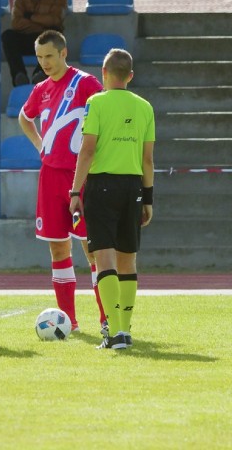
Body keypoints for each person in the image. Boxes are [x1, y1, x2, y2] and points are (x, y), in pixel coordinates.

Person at [18, 30, 106, 335]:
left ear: (64, 53)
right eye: (40, 57)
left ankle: (107, 318)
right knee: (58, 250)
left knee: (93, 250)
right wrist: (40, 144)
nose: (44, 62)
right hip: (50, 177)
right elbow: (24, 117)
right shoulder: (41, 88)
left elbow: (103, 119)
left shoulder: (86, 83)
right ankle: (69, 322)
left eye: (49, 56)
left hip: (81, 178)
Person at [69, 48, 155, 350]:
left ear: (103, 75)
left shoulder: (96, 103)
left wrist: (75, 191)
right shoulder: (145, 107)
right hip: (132, 188)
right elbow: (147, 160)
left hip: (101, 187)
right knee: (128, 259)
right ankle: (126, 329)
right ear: (130, 76)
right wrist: (148, 199)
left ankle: (114, 331)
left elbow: (88, 150)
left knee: (104, 257)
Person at [1, 0, 67, 86]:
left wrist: (30, 17)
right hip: (27, 40)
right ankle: (19, 76)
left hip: (47, 39)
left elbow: (56, 19)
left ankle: (40, 75)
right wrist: (43, 20)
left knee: (56, 34)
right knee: (8, 35)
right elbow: (16, 23)